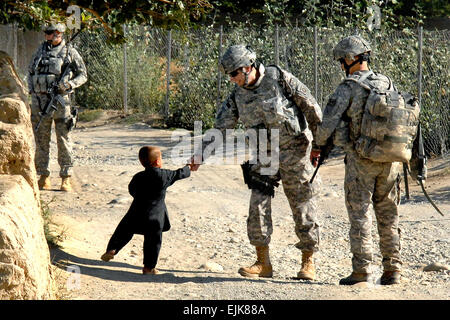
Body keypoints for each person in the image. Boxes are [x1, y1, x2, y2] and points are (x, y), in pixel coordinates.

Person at [190, 45, 323, 280]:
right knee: (257, 206)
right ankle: (263, 263)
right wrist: (201, 154)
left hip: (296, 150)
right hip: (264, 154)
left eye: (234, 74)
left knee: (302, 204)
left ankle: (308, 262)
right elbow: (222, 127)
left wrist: (320, 144)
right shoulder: (237, 95)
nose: (232, 80)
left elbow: (310, 106)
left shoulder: (279, 78)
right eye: (229, 76)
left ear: (247, 67)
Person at [315, 35, 403, 285]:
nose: (341, 66)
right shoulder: (387, 82)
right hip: (391, 159)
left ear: (351, 59)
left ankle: (362, 270)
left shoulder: (348, 87)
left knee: (360, 214)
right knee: (389, 214)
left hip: (361, 159)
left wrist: (318, 145)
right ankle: (393, 269)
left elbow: (328, 123)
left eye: (342, 60)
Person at [101, 146, 192, 275]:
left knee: (123, 230)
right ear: (157, 161)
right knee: (153, 242)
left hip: (136, 212)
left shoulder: (138, 176)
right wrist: (190, 166)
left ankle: (112, 249)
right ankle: (148, 268)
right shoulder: (164, 175)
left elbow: (131, 190)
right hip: (155, 217)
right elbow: (180, 173)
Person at [28, 22, 87, 192]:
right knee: (41, 139)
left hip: (60, 101)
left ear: (60, 34)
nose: (52, 36)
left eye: (55, 33)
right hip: (39, 102)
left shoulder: (69, 52)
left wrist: (69, 85)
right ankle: (43, 176)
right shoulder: (40, 50)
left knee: (63, 139)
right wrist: (32, 89)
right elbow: (31, 72)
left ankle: (66, 177)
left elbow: (83, 74)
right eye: (48, 33)